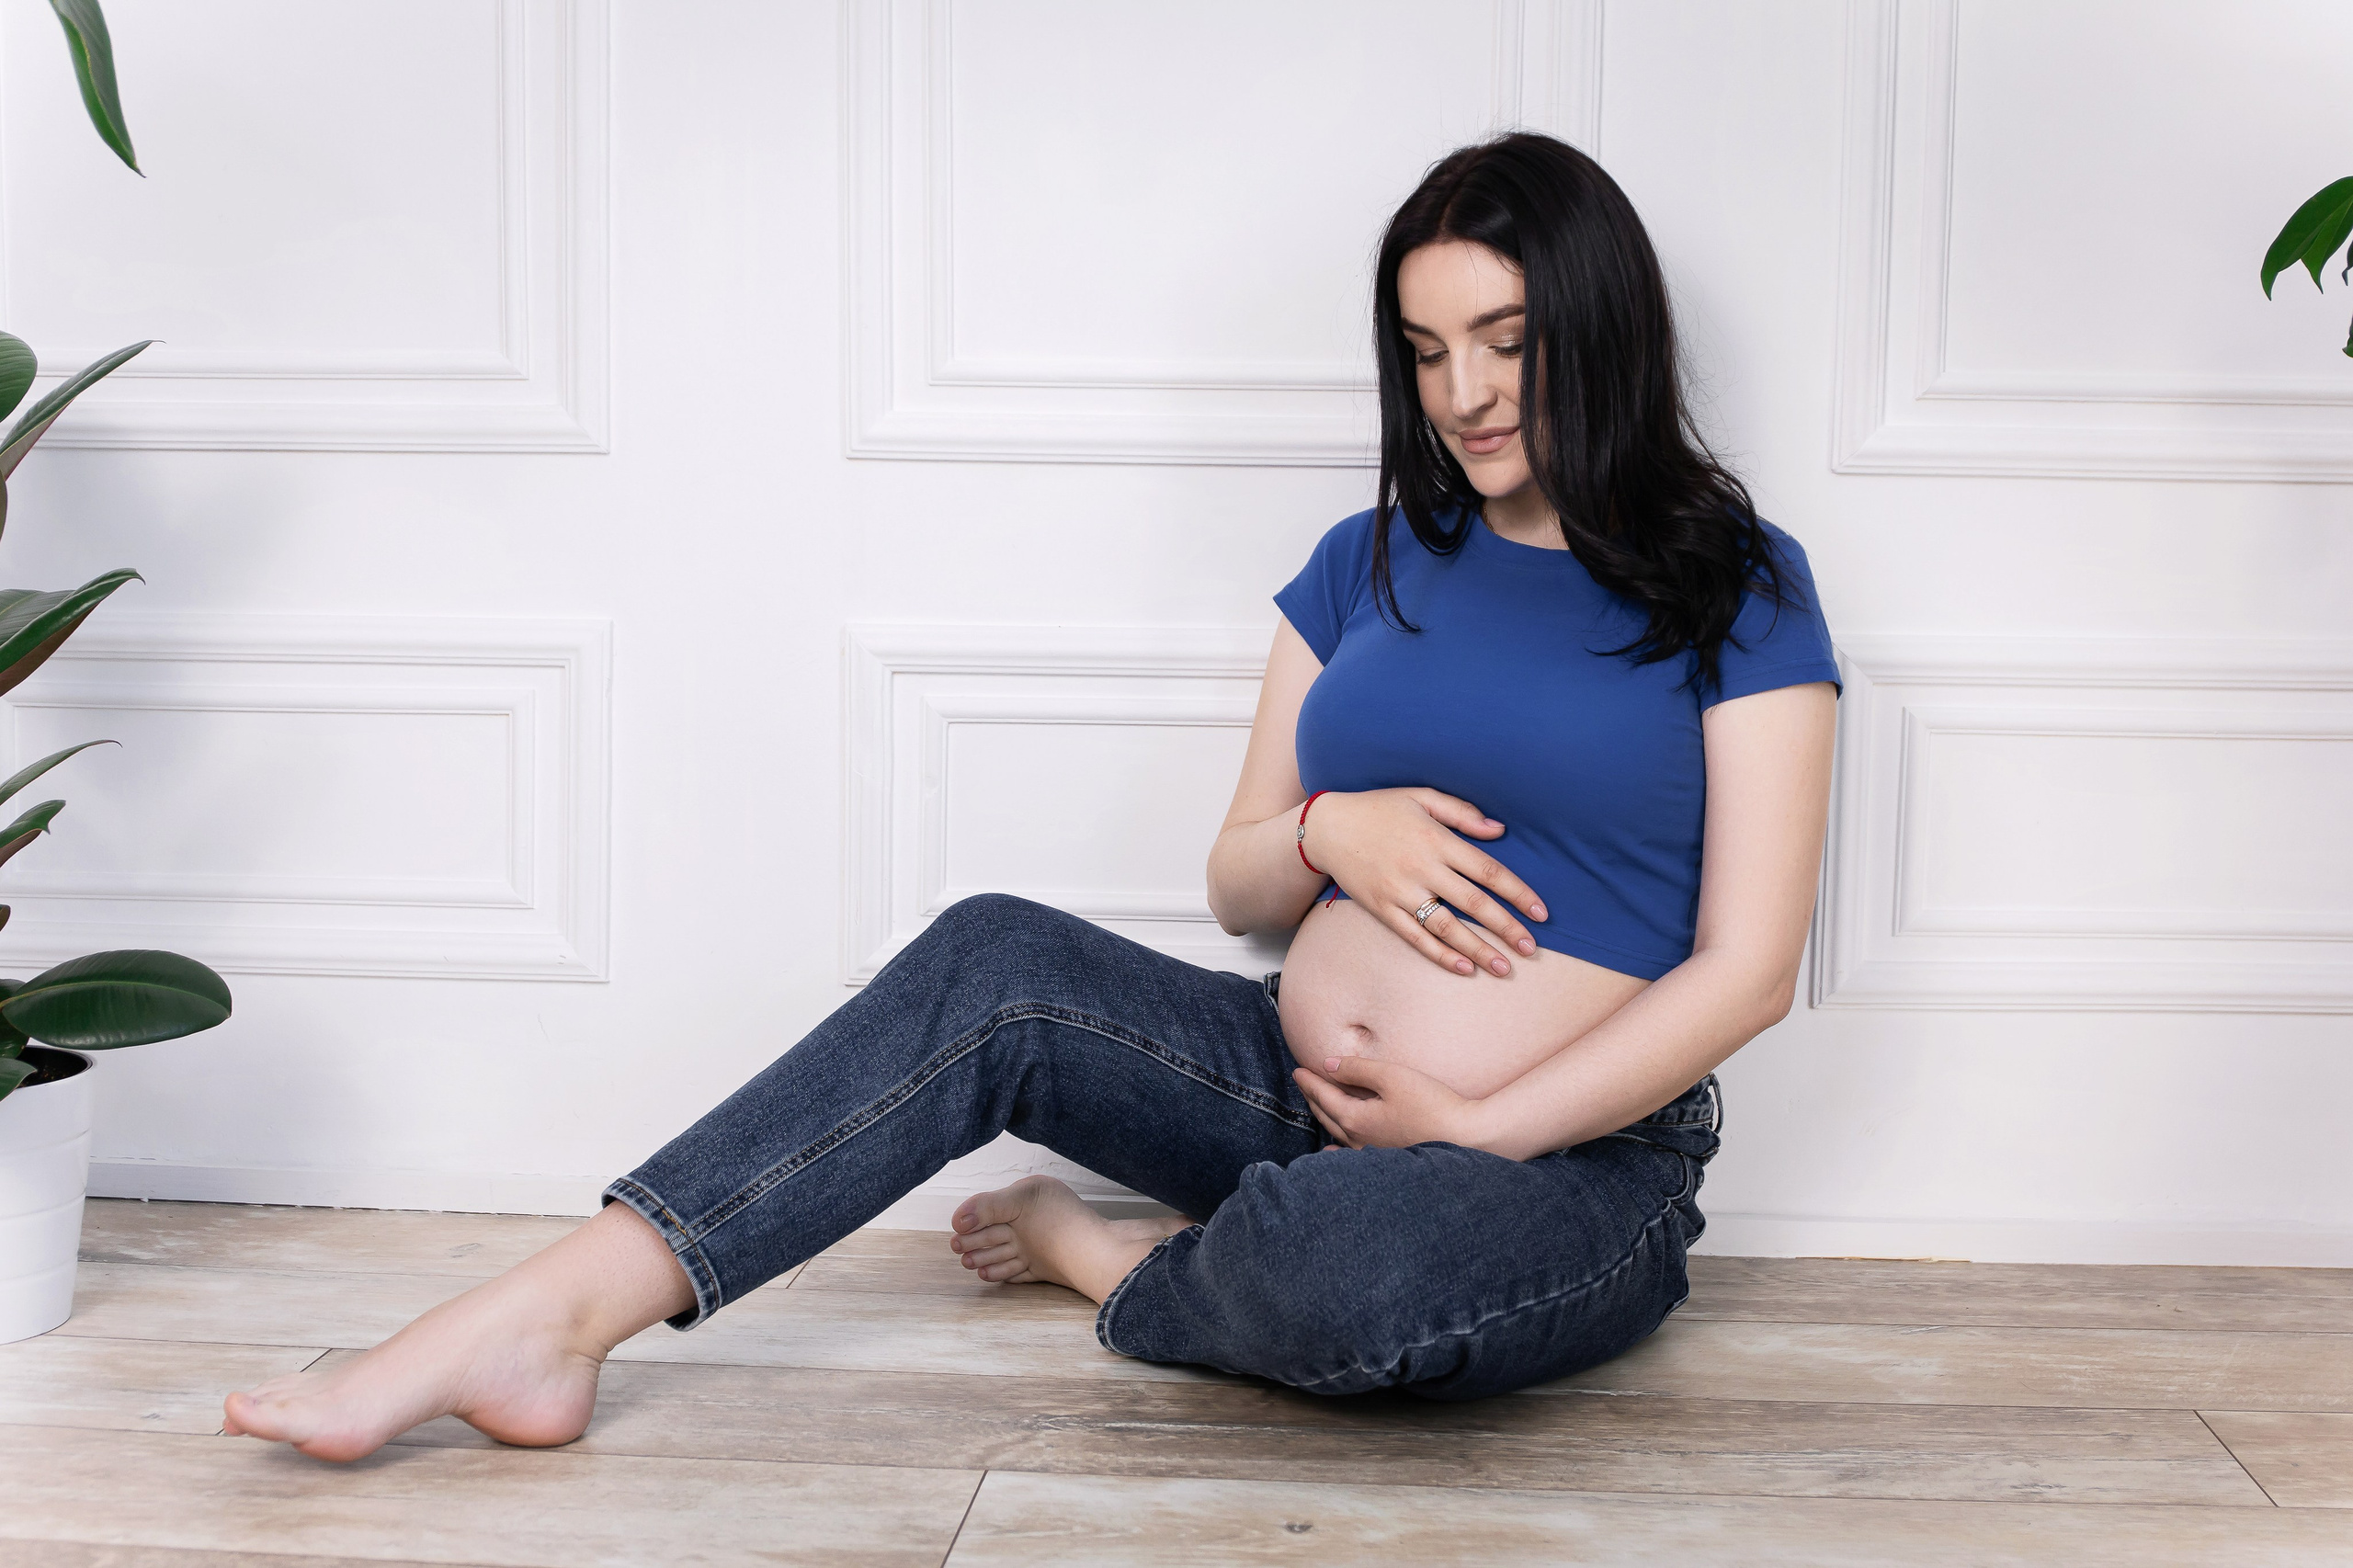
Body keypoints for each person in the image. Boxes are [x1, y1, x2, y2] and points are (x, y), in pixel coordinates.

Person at [221, 131, 1837, 1462]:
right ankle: (546, 1317)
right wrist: (1324, 829)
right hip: (1290, 1083)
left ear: (1599, 328)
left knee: (1357, 1267)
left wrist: (1473, 1126)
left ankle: (1112, 1256)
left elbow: (1750, 968)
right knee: (996, 956)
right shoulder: (1366, 564)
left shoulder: (1740, 586)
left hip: (1568, 1161)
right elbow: (1237, 883)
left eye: (1505, 341)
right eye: (1426, 352)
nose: (1463, 392)